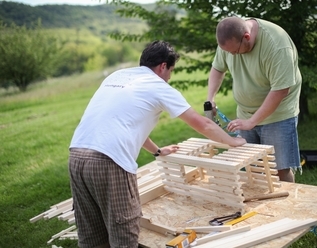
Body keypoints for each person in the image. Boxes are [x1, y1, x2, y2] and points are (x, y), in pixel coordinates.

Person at [68, 40, 246, 248]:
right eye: (171, 70)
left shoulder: (117, 76)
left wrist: (158, 151)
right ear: (163, 66)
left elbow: (123, 123)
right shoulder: (159, 87)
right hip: (108, 161)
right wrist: (233, 141)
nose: (169, 76)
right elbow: (203, 124)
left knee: (91, 234)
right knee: (123, 233)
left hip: (77, 156)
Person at [207, 16, 302, 183]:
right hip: (245, 113)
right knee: (254, 167)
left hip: (278, 114)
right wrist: (211, 98)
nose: (232, 55)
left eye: (235, 51)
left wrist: (252, 121)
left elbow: (281, 90)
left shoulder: (277, 45)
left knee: (279, 169)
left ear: (247, 37)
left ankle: (286, 207)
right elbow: (217, 68)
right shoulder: (230, 40)